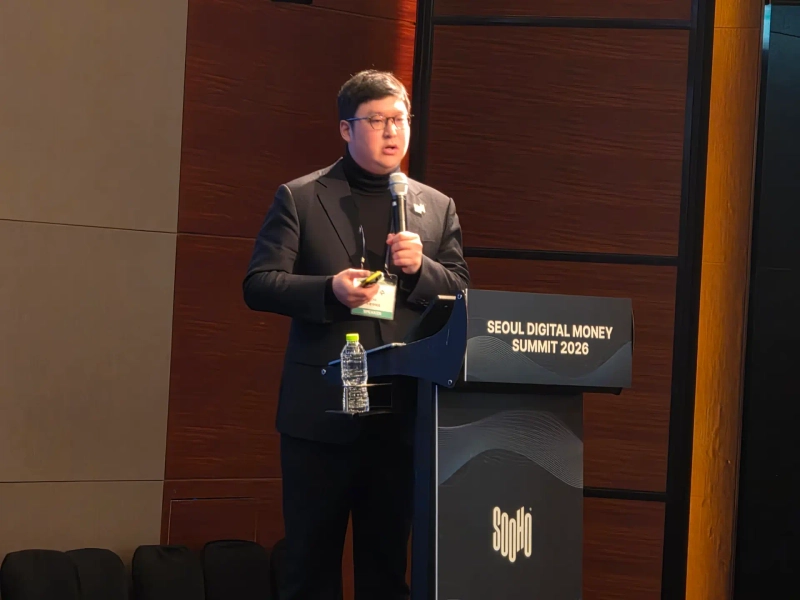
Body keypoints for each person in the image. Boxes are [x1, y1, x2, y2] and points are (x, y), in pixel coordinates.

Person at [243, 69, 469, 599]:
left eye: (400, 120)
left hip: (401, 418)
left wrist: (421, 270)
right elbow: (259, 283)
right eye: (377, 120)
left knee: (387, 572)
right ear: (346, 129)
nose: (392, 131)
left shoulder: (435, 206)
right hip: (321, 416)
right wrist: (329, 291)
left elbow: (460, 290)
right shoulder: (302, 197)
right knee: (309, 569)